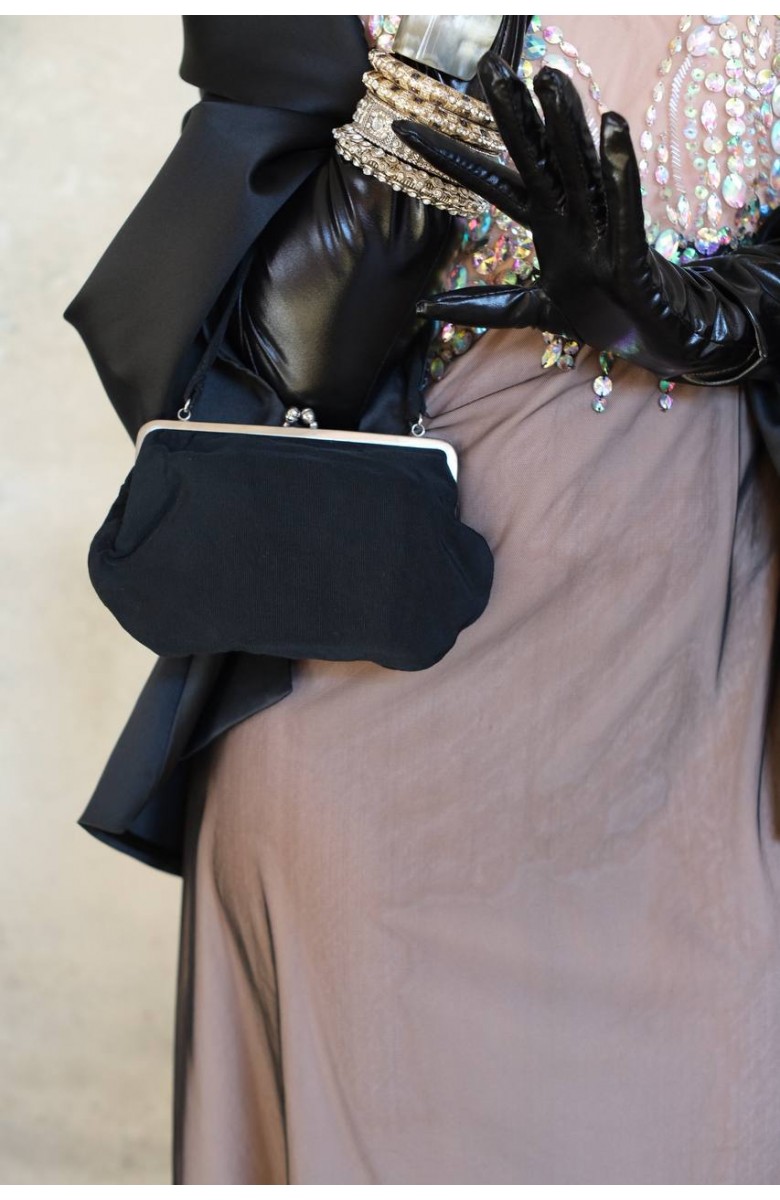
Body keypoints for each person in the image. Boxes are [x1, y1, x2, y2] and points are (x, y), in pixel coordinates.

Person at [67, 16, 780, 1184]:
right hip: (376, 721)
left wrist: (710, 314)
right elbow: (255, 365)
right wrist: (420, 87)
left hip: (696, 716)